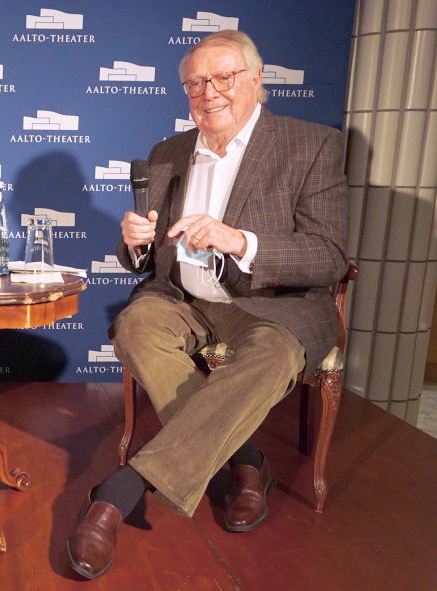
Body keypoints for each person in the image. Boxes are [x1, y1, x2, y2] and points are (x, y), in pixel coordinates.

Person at [66, 30, 349, 579]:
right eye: (195, 83)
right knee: (135, 326)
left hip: (276, 305)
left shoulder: (311, 145)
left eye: (224, 77)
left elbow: (330, 256)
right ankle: (245, 460)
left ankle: (121, 490)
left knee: (270, 356)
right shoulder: (167, 154)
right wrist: (133, 243)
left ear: (256, 79)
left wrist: (239, 240)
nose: (209, 92)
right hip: (183, 297)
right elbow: (144, 261)